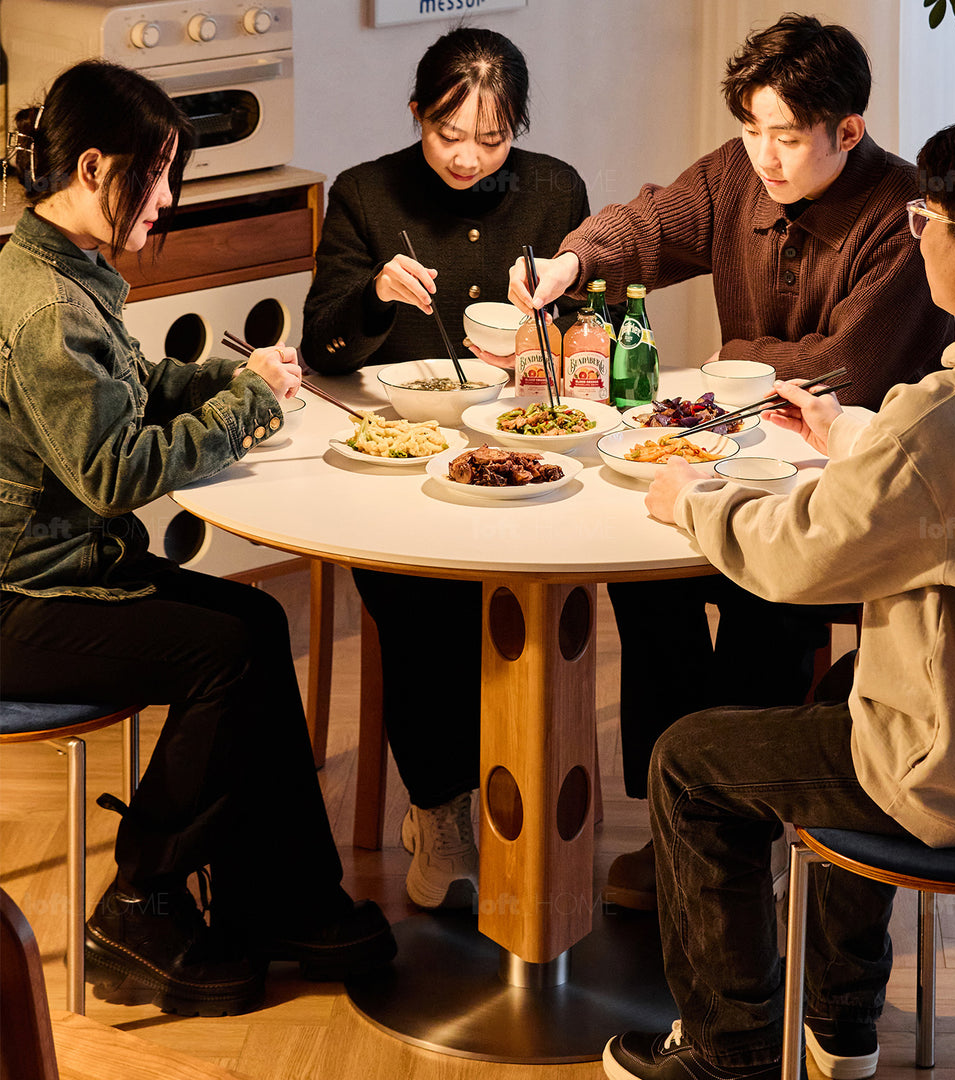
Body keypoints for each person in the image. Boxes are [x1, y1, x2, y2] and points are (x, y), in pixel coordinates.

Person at [600, 110, 955, 1080]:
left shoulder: (942, 420)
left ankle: (728, 1047)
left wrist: (695, 500)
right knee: (851, 688)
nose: (919, 237)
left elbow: (796, 560)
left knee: (688, 762)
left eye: (926, 221)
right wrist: (857, 436)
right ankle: (841, 1022)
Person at [508, 14, 955, 911]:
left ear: (848, 130)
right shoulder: (733, 174)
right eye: (751, 129)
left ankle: (742, 841)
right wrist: (570, 263)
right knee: (645, 575)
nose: (764, 156)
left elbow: (847, 369)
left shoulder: (902, 214)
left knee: (768, 598)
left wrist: (734, 355)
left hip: (847, 491)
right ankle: (683, 822)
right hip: (731, 457)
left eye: (785, 136)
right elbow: (648, 224)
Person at [0, 60, 395, 1018]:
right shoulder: (50, 311)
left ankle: (283, 898)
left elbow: (130, 385)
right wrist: (248, 407)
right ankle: (140, 902)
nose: (168, 200)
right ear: (93, 168)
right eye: (157, 173)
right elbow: (115, 473)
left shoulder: (57, 262)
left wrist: (229, 384)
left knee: (255, 625)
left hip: (67, 572)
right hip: (24, 599)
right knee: (224, 652)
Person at [301, 26, 591, 909]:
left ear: (518, 130)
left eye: (492, 140)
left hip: (522, 447)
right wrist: (375, 295)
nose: (467, 158)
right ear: (416, 114)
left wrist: (558, 342)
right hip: (399, 450)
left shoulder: (554, 190)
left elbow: (581, 325)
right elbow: (323, 344)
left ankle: (542, 792)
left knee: (560, 580)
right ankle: (441, 804)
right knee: (415, 585)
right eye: (447, 135)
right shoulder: (363, 192)